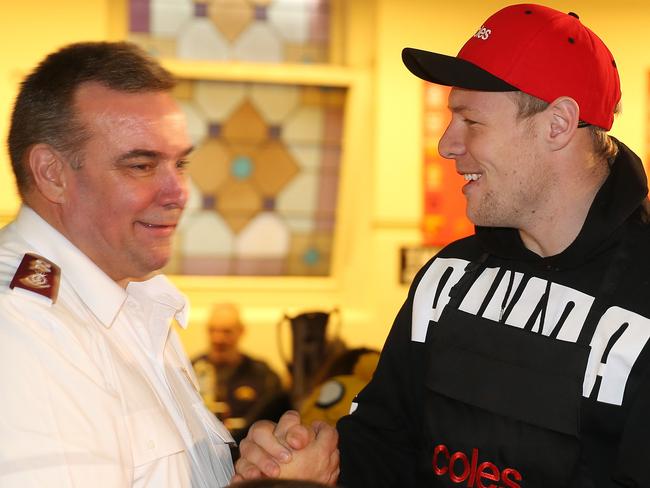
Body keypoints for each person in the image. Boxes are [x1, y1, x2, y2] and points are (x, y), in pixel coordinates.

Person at [233, 4, 650, 487]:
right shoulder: (450, 277)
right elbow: (388, 440)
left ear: (557, 124)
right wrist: (319, 467)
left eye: (470, 121)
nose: (447, 145)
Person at [0, 42, 237, 487]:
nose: (178, 193)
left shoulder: (134, 301)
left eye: (180, 163)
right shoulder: (23, 324)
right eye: (142, 166)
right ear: (52, 173)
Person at [192, 303, 290, 443]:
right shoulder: (189, 370)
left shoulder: (263, 375)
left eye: (226, 331)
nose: (218, 339)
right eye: (212, 330)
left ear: (241, 331)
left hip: (249, 448)